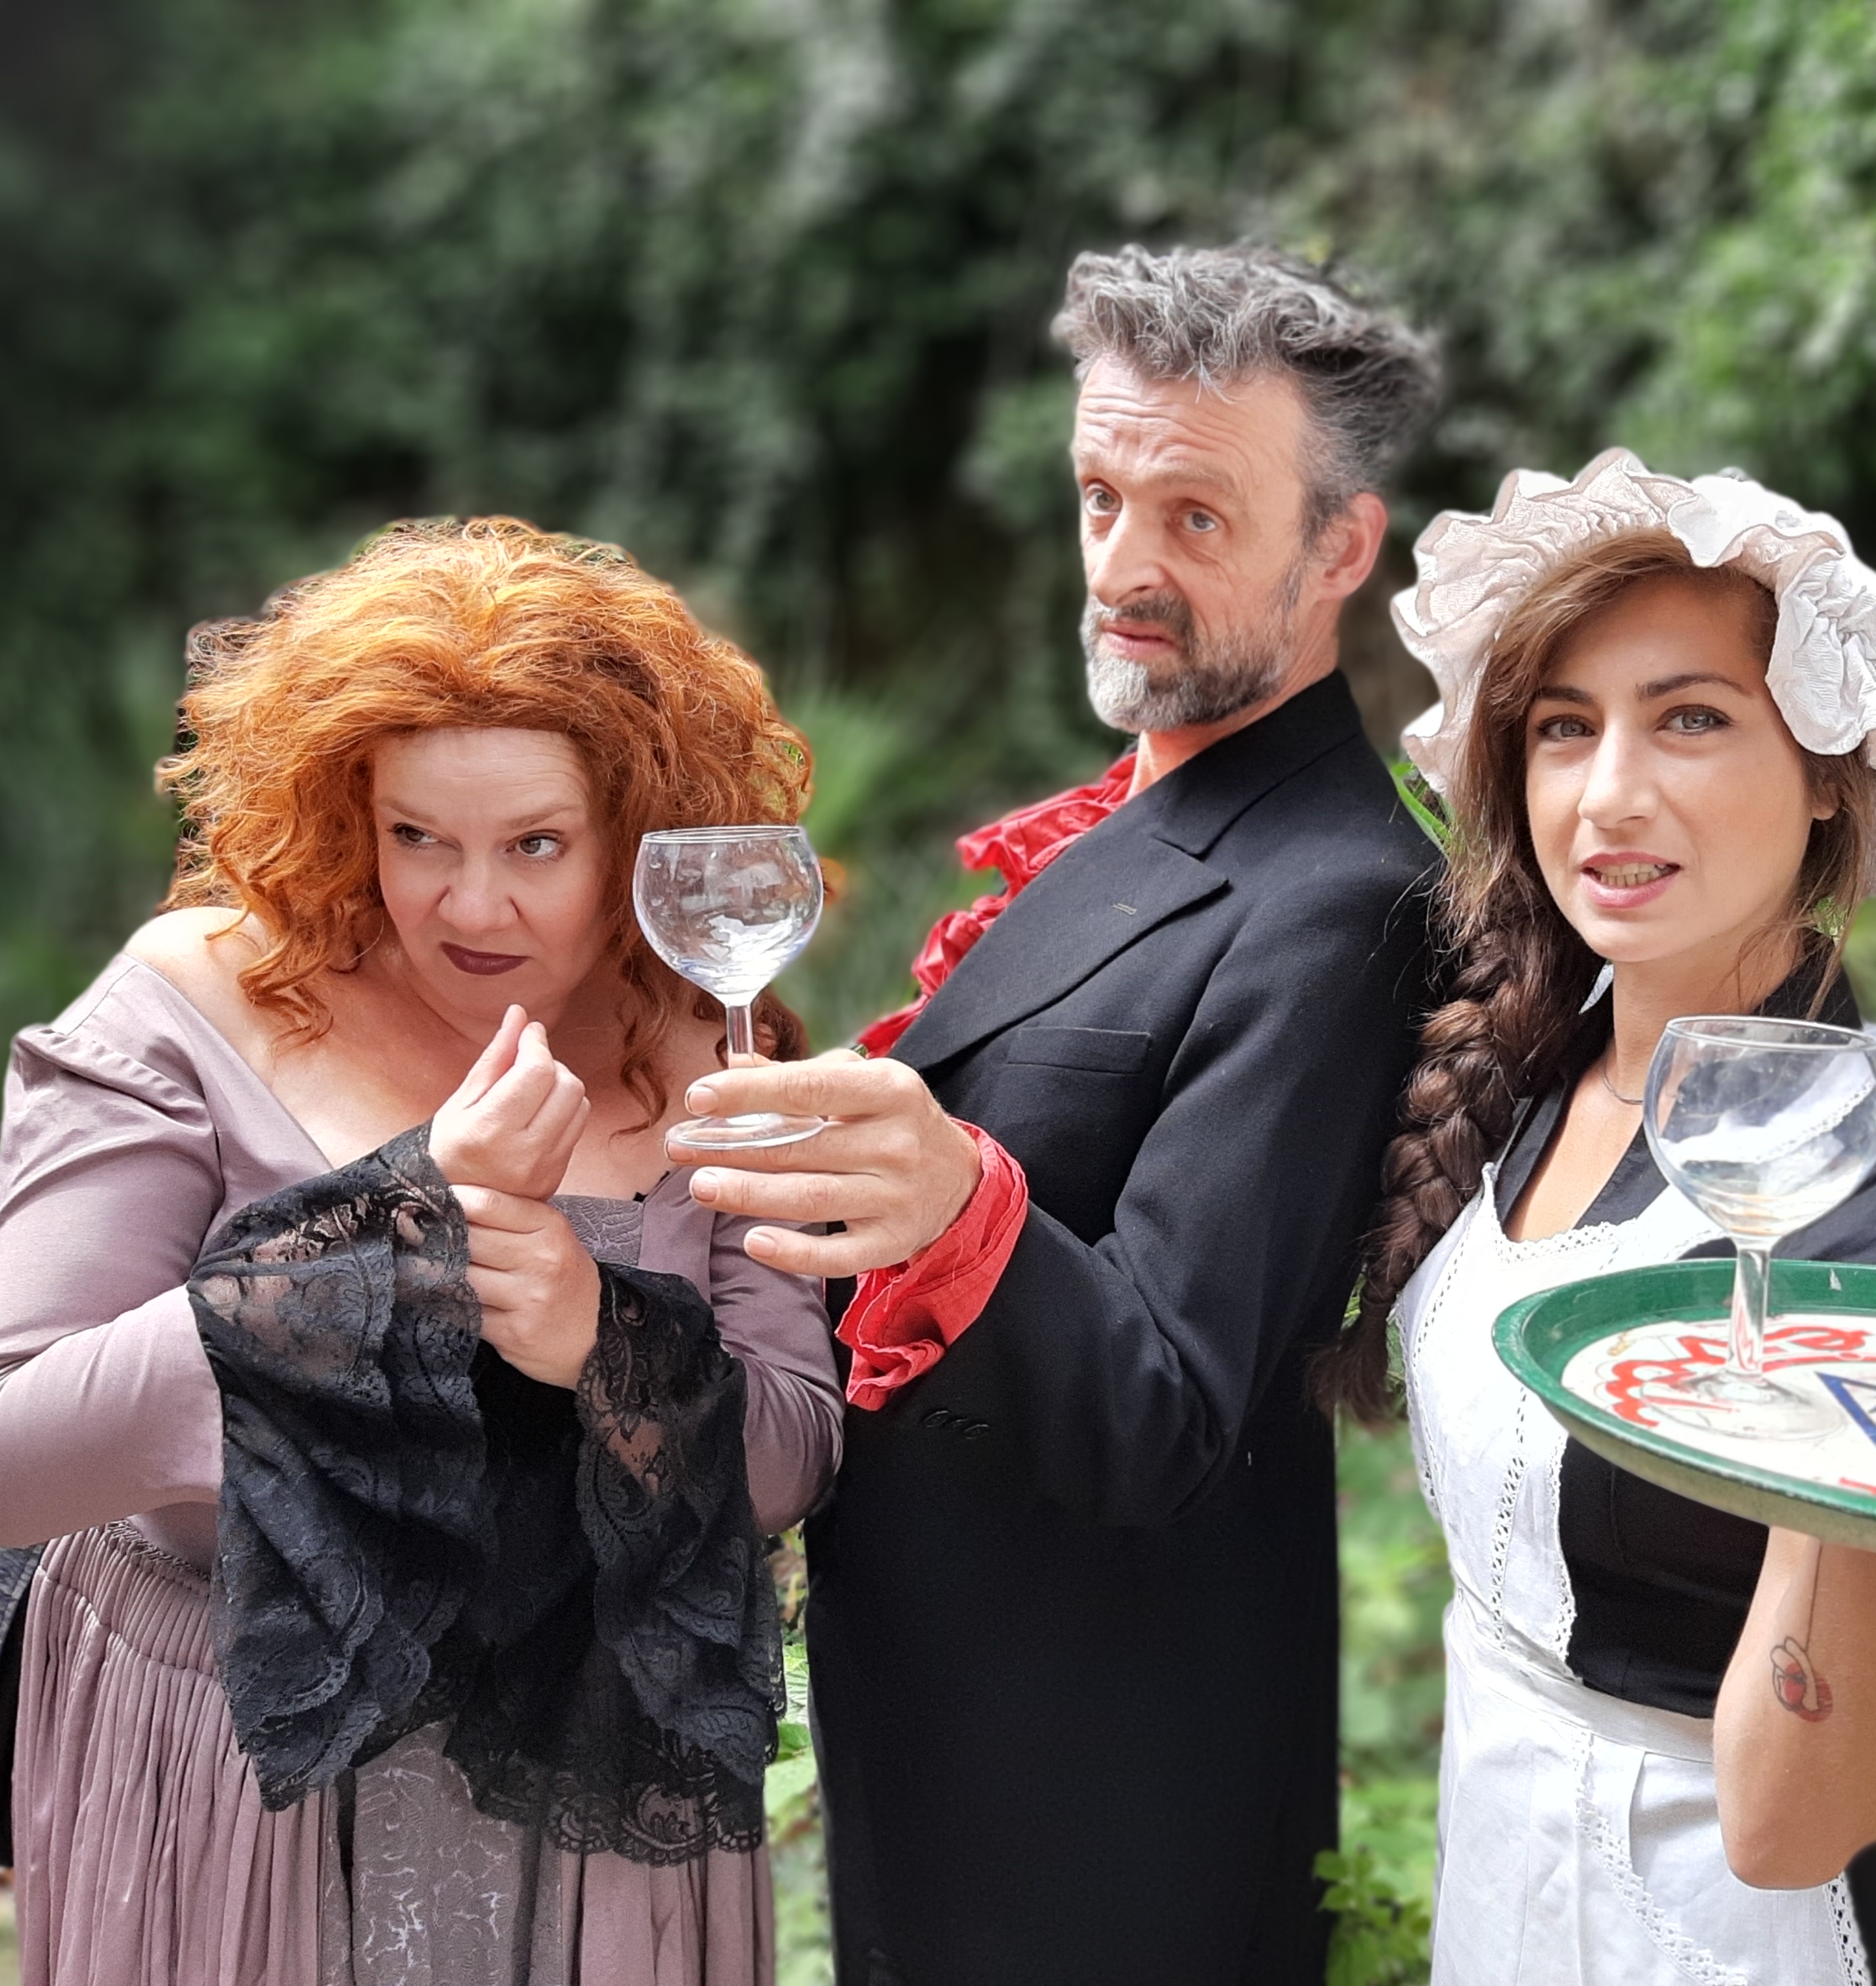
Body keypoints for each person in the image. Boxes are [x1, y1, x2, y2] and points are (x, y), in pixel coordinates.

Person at [0, 519, 842, 1986]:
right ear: (347, 811)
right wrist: (405, 1226)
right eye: (417, 837)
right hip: (237, 1771)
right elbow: (4, 1454)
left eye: (536, 844)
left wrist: (605, 1343)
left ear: (638, 834)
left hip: (597, 1794)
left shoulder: (710, 1045)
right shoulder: (200, 1002)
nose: (471, 904)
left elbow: (794, 1455)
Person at [681, 244, 1442, 1985]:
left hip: (1110, 1805)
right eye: (1102, 498)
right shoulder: (1140, 821)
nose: (1123, 567)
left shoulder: (1341, 895)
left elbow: (1168, 1405)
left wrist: (953, 1203)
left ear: (1343, 548)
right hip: (956, 1729)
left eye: (1197, 516)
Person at [1322, 450, 1876, 1984]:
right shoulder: (1528, 1072)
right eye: (1564, 728)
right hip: (1499, 1885)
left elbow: (1800, 1819)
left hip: (1737, 1931)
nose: (1609, 796)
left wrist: (1839, 1444)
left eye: (1693, 719)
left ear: (1831, 775)